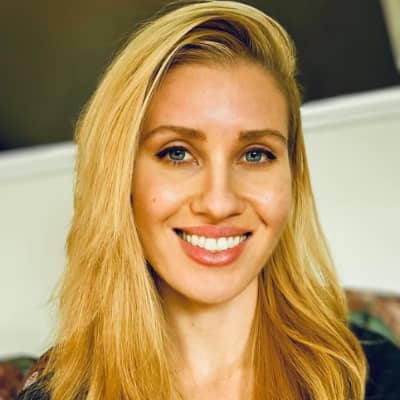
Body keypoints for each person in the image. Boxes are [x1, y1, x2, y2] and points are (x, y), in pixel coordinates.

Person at [17, 1, 400, 399]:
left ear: (292, 177)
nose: (219, 203)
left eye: (255, 154)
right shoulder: (57, 393)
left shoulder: (372, 378)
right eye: (177, 153)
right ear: (121, 179)